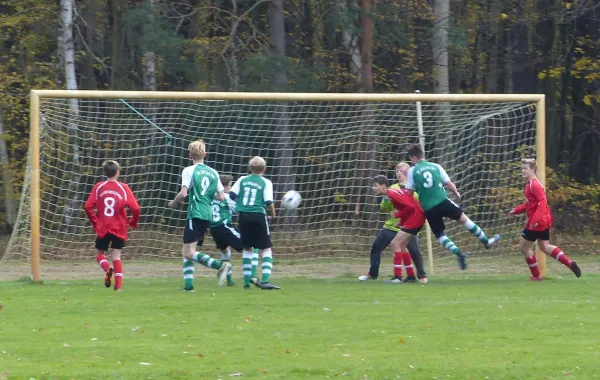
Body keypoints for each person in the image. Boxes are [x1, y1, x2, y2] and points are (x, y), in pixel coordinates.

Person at [406, 144, 500, 270]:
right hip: (443, 201)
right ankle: (486, 241)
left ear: (413, 158)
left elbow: (409, 193)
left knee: (440, 234)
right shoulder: (436, 166)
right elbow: (449, 183)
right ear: (422, 155)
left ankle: (459, 253)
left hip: (428, 208)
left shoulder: (412, 171)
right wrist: (456, 193)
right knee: (464, 219)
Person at [168, 139, 232, 291]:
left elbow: (183, 194)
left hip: (195, 212)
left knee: (188, 252)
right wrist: (208, 196)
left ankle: (221, 265)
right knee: (189, 250)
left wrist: (173, 203)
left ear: (190, 155)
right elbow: (222, 197)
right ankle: (188, 286)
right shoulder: (213, 172)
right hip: (207, 215)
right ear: (205, 154)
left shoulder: (188, 170)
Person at [508, 158, 581, 280]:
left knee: (524, 247)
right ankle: (569, 263)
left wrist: (534, 220)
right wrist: (517, 210)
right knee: (545, 247)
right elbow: (529, 204)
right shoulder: (530, 185)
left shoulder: (534, 185)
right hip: (543, 222)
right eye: (522, 168)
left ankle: (537, 276)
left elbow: (543, 202)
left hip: (536, 222)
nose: (523, 170)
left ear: (532, 169)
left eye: (525, 168)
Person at [358, 163, 428, 283]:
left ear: (409, 172)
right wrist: (393, 211)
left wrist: (399, 216)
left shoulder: (413, 189)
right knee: (379, 247)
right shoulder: (392, 189)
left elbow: (413, 207)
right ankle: (376, 273)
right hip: (393, 225)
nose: (399, 173)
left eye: (402, 170)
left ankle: (415, 276)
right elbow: (385, 208)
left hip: (410, 223)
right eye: (397, 171)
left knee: (411, 250)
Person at [84, 160, 140, 291]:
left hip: (103, 227)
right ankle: (118, 287)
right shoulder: (124, 188)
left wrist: (95, 221)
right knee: (116, 256)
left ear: (105, 173)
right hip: (119, 227)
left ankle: (107, 269)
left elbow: (87, 206)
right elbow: (136, 208)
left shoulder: (99, 187)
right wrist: (133, 221)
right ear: (117, 172)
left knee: (99, 254)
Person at [229, 156, 279, 290]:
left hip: (243, 216)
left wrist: (239, 207)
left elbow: (232, 195)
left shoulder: (242, 180)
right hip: (258, 215)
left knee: (247, 248)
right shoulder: (266, 182)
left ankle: (246, 283)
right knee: (266, 248)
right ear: (264, 169)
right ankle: (265, 281)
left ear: (250, 168)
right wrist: (273, 215)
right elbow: (269, 201)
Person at [209, 174, 261, 286]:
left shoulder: (211, 196)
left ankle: (229, 281)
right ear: (226, 186)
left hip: (213, 229)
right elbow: (240, 209)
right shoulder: (226, 197)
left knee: (224, 251)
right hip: (225, 228)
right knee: (249, 246)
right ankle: (251, 276)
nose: (231, 188)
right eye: (230, 185)